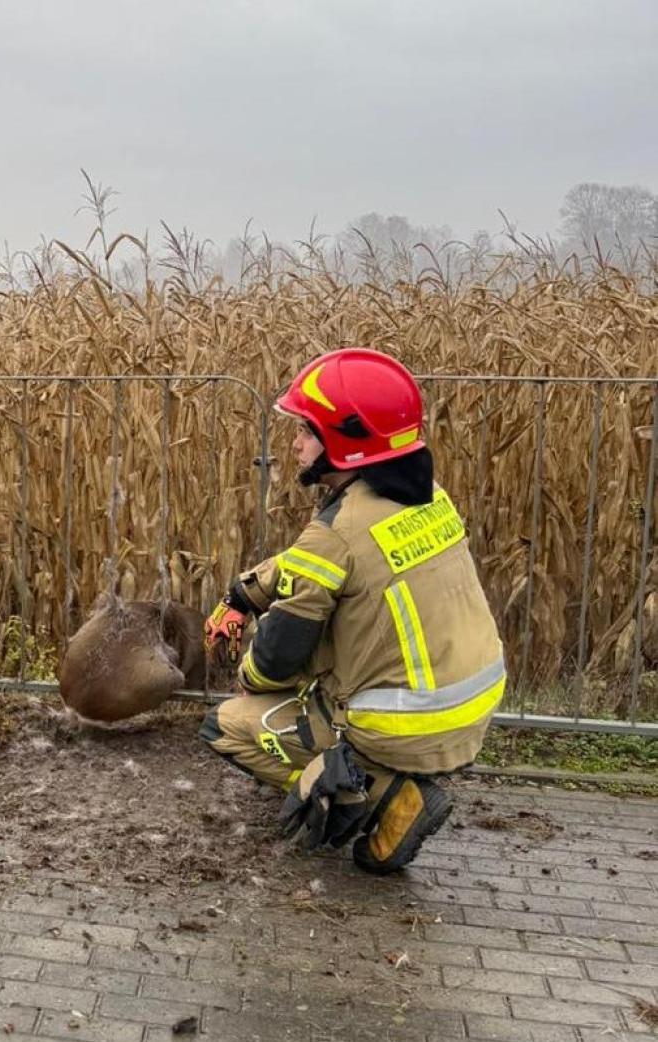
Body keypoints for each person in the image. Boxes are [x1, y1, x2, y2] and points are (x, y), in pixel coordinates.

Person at [199, 348, 505, 874]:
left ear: (346, 443)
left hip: (401, 722)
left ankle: (384, 797)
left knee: (223, 725)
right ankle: (377, 778)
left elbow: (276, 657)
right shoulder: (428, 497)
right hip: (472, 703)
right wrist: (243, 595)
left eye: (306, 431)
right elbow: (317, 560)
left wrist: (248, 676)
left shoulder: (335, 534)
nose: (294, 443)